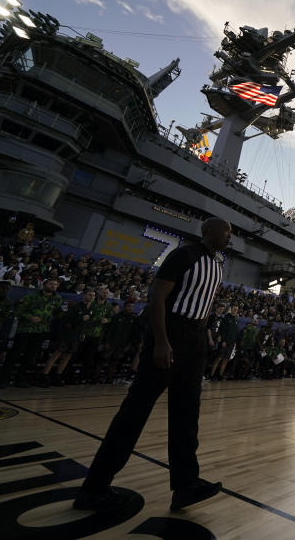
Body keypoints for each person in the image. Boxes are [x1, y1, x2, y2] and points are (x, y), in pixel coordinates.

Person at [73, 217, 231, 513]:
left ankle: (185, 486)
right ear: (208, 230)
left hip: (195, 340)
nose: (229, 235)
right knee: (134, 412)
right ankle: (93, 488)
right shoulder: (183, 255)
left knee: (187, 416)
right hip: (171, 333)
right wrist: (160, 341)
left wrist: (201, 342)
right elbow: (157, 297)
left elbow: (204, 304)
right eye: (226, 230)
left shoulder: (219, 265)